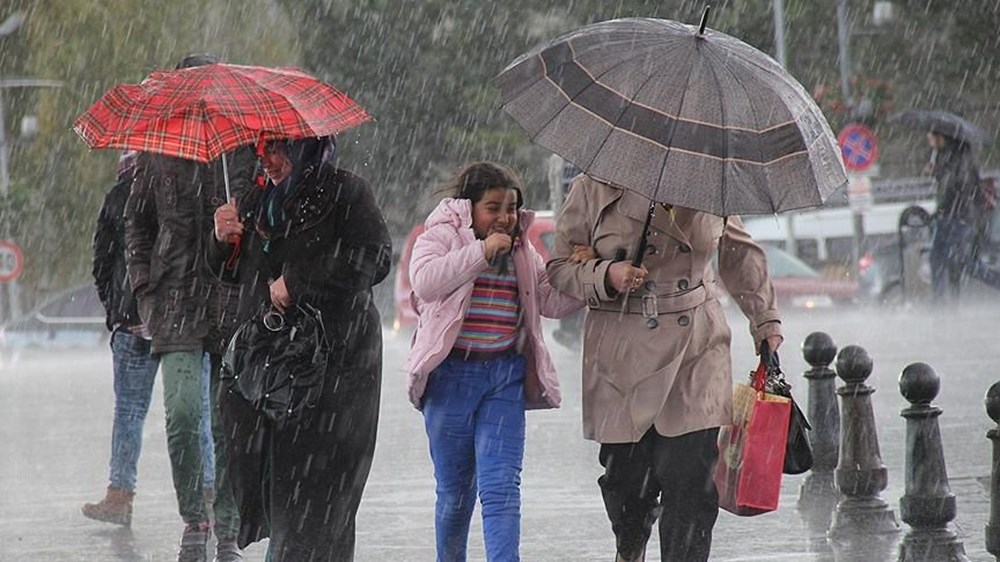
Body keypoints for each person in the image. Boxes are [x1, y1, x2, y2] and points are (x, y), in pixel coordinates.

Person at [545, 174, 784, 562]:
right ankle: (630, 543)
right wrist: (606, 274)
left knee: (691, 478)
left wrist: (766, 321)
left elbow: (740, 255)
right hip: (622, 348)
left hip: (697, 348)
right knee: (626, 480)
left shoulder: (709, 179)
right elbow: (558, 267)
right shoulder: (593, 186)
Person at [210, 136, 391, 562]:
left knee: (324, 498)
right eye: (261, 149)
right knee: (286, 493)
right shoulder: (257, 202)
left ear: (304, 147)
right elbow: (236, 276)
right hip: (277, 373)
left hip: (339, 369)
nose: (267, 159)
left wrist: (299, 282)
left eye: (277, 148)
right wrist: (222, 240)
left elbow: (374, 258)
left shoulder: (347, 192)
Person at [403, 161, 584, 562]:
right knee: (455, 493)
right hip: (450, 377)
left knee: (501, 488)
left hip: (503, 377)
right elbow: (426, 282)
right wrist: (481, 252)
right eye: (493, 207)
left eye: (511, 208)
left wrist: (585, 278)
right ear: (470, 208)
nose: (504, 217)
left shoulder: (521, 250)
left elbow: (549, 300)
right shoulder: (442, 235)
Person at [124, 52, 256, 562]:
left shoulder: (241, 152)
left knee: (227, 423)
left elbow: (263, 229)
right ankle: (193, 520)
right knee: (182, 415)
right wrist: (143, 287)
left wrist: (233, 231)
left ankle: (224, 526)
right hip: (173, 299)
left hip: (228, 299)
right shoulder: (156, 150)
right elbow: (136, 225)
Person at [83, 151, 217, 528]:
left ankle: (120, 496)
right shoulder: (199, 183)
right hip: (182, 318)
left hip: (140, 322)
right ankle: (207, 493)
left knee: (131, 412)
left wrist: (121, 308)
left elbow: (103, 262)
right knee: (198, 409)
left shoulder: (121, 196)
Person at [926, 131, 986, 303]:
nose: (929, 140)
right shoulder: (952, 155)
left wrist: (939, 172)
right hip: (957, 216)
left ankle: (940, 302)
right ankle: (946, 301)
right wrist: (937, 172)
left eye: (931, 136)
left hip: (955, 217)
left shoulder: (955, 157)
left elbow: (955, 188)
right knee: (955, 261)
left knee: (945, 260)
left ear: (940, 137)